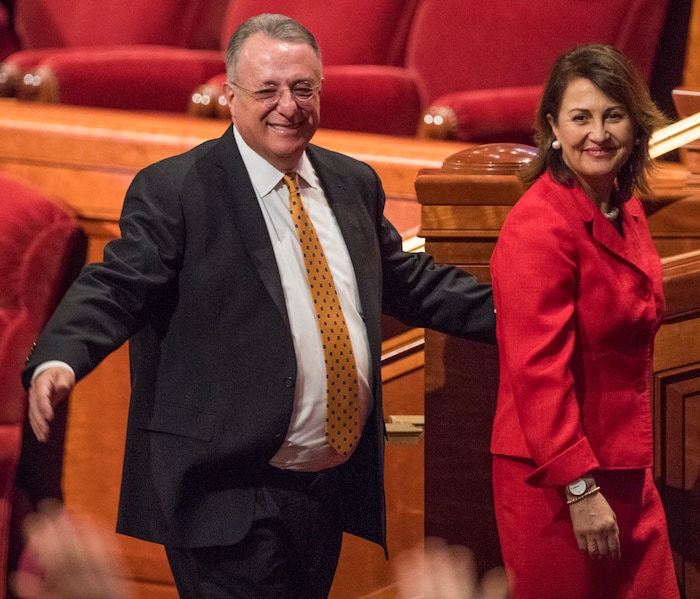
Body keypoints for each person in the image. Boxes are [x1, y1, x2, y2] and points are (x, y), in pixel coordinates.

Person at [23, 13, 495, 599]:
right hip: (224, 495)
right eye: (267, 90)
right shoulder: (178, 189)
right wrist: (61, 356)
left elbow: (407, 283)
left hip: (324, 494)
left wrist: (517, 317)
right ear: (230, 96)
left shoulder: (352, 183)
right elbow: (119, 283)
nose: (288, 106)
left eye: (302, 88)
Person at [489, 44, 679, 598]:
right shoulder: (539, 225)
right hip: (559, 481)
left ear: (635, 124)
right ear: (553, 126)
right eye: (581, 117)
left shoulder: (624, 206)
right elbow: (536, 371)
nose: (598, 133)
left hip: (626, 467)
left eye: (613, 115)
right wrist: (579, 488)